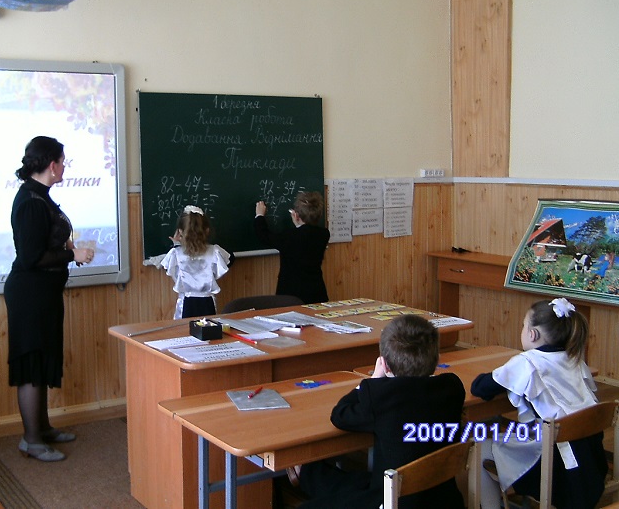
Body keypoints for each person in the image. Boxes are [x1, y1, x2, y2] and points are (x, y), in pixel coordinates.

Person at [295, 315, 466, 508]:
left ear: (384, 364)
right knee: (357, 482)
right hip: (443, 500)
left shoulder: (380, 396)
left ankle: (305, 472)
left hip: (393, 501)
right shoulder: (453, 387)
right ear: (436, 359)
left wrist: (373, 380)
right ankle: (307, 473)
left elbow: (340, 415)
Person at [4, 136, 94, 462]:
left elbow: (44, 242)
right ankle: (31, 440)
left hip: (43, 293)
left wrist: (66, 249)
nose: (65, 167)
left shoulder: (39, 195)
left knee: (41, 360)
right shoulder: (31, 201)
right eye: (63, 162)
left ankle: (42, 428)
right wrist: (72, 255)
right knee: (32, 364)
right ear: (52, 165)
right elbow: (30, 258)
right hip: (30, 295)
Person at [471, 297, 607, 509]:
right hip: (591, 465)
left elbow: (480, 388)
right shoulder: (575, 360)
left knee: (478, 446)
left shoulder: (527, 362)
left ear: (532, 334)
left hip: (555, 471)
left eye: (523, 326)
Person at [254, 191, 330, 304]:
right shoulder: (324, 234)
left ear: (296, 215)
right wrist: (298, 223)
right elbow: (305, 234)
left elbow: (264, 236)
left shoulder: (289, 236)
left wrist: (259, 215)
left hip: (291, 296)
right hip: (317, 293)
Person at [160, 205, 232, 319]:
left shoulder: (175, 253)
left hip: (186, 304)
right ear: (207, 231)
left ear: (180, 232)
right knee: (208, 327)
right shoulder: (215, 252)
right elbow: (230, 259)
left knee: (184, 329)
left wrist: (177, 245)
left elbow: (169, 268)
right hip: (207, 304)